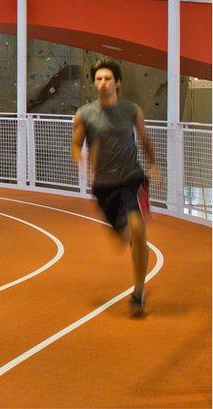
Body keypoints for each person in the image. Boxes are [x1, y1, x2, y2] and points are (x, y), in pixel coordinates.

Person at [71, 58, 159, 318]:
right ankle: (122, 232)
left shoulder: (132, 110)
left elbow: (143, 138)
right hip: (103, 185)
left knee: (137, 229)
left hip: (131, 177)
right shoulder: (85, 114)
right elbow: (76, 144)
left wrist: (153, 164)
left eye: (107, 78)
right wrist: (80, 158)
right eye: (98, 79)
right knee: (124, 235)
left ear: (117, 83)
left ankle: (138, 292)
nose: (102, 83)